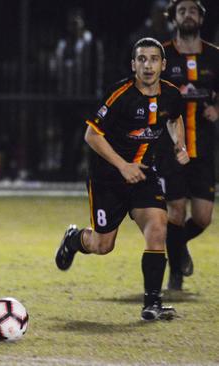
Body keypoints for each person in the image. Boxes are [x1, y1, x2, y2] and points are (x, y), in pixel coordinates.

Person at [54, 38, 189, 321]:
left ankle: (152, 303)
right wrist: (122, 166)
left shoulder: (172, 95)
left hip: (143, 174)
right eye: (141, 59)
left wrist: (180, 145)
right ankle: (74, 239)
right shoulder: (120, 95)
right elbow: (91, 135)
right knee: (103, 246)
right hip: (108, 178)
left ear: (163, 65)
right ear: (133, 64)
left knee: (157, 227)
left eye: (154, 59)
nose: (148, 65)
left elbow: (174, 118)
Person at [160, 0, 219, 291]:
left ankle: (178, 245)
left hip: (205, 147)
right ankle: (175, 274)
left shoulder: (214, 56)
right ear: (174, 17)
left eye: (193, 10)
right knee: (175, 212)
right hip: (173, 149)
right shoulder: (162, 55)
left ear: (201, 17)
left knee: (204, 217)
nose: (187, 15)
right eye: (182, 10)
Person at [51, 7, 104, 181]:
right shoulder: (64, 44)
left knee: (85, 136)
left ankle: (85, 169)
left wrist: (96, 94)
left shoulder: (91, 43)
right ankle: (67, 170)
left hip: (85, 98)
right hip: (66, 97)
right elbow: (56, 69)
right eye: (71, 22)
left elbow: (97, 70)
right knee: (67, 135)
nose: (73, 26)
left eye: (76, 21)